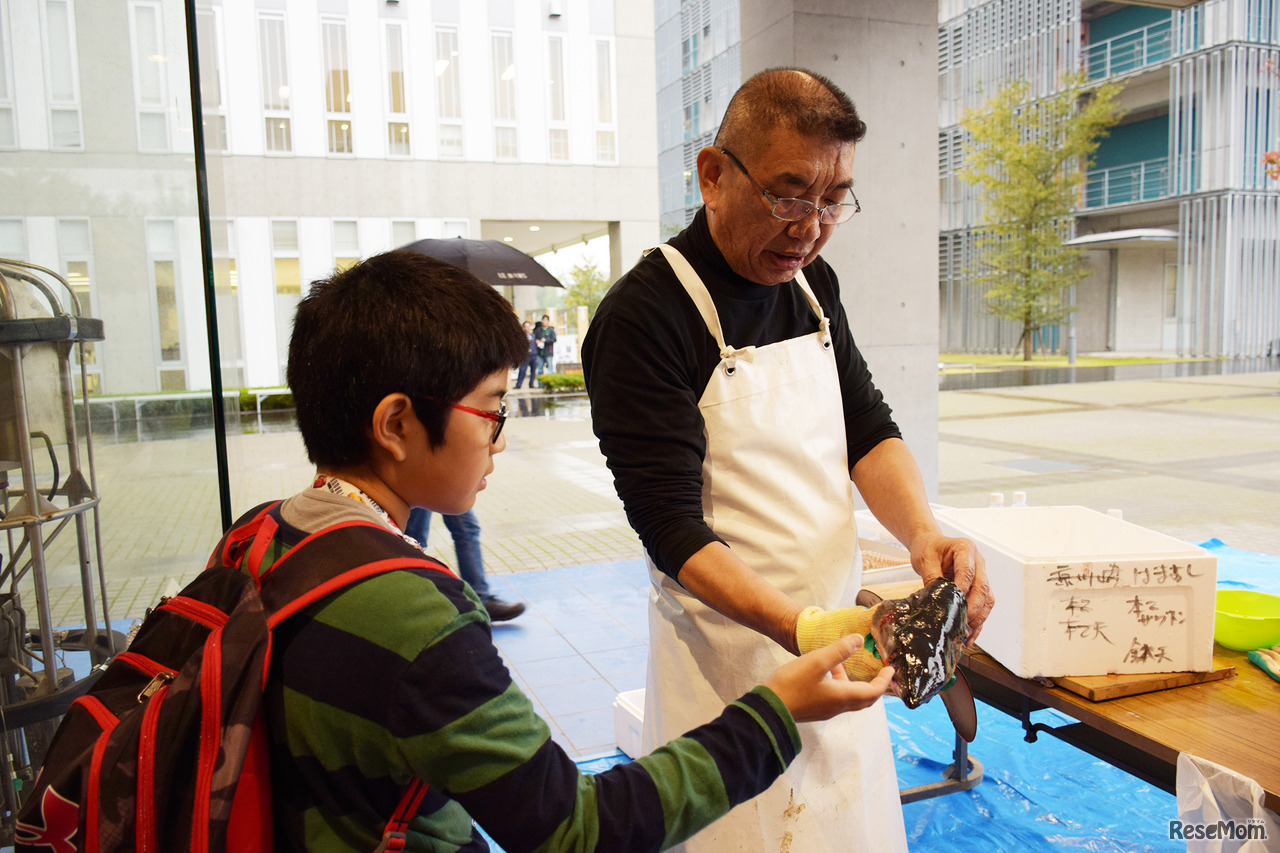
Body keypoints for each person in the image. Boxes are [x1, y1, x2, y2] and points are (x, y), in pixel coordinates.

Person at [266, 248, 896, 851]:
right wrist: (776, 713)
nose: (501, 440)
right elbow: (576, 830)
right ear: (396, 426)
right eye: (493, 411)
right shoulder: (415, 616)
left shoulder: (267, 535)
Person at [581, 68, 995, 852]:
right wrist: (797, 625)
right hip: (731, 672)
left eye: (833, 200)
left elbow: (867, 428)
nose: (809, 226)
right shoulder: (645, 316)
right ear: (713, 174)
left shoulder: (811, 286)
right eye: (787, 194)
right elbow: (670, 528)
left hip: (842, 646)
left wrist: (923, 534)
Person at [403, 506, 526, 621]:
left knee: (466, 529)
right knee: (415, 539)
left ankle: (479, 598)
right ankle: (410, 600)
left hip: (443, 483)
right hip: (426, 484)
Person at [514, 319, 539, 388]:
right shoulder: (521, 337)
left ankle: (531, 384)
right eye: (525, 326)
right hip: (525, 356)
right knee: (522, 370)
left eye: (528, 326)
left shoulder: (534, 336)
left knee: (533, 371)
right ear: (523, 327)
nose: (527, 328)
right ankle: (519, 385)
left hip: (534, 355)